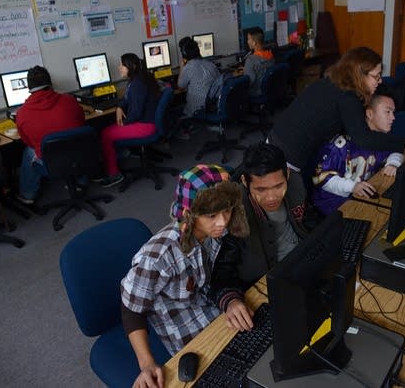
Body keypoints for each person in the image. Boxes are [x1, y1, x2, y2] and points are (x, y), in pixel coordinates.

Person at [120, 164, 251, 388]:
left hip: (215, 318)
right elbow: (131, 308)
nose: (222, 222)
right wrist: (147, 363)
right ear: (190, 214)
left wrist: (230, 300)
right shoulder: (158, 256)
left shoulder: (214, 233)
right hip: (189, 340)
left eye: (227, 211)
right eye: (211, 215)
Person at [267, 46, 405, 176]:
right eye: (376, 76)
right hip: (288, 154)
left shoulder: (334, 83)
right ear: (360, 75)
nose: (379, 81)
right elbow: (363, 138)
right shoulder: (348, 97)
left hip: (278, 139)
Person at [213, 143, 321, 293]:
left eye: (278, 186)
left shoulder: (295, 183)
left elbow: (309, 219)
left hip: (305, 260)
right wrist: (230, 299)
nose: (271, 197)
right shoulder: (233, 211)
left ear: (287, 175)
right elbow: (222, 269)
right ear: (245, 182)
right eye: (261, 189)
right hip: (269, 280)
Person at [312, 92, 404, 215]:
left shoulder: (382, 138)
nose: (393, 117)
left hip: (361, 197)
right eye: (388, 112)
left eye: (393, 113)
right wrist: (352, 187)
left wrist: (393, 163)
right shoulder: (342, 144)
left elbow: (397, 150)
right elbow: (321, 178)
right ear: (370, 114)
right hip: (332, 204)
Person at [15, 66, 85, 204]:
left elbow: (28, 142)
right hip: (80, 157)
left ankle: (28, 194)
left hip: (51, 165)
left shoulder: (22, 113)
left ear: (28, 87)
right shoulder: (69, 100)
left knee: (28, 151)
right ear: (50, 83)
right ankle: (80, 181)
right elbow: (82, 123)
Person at [98, 53, 161, 188]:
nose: (119, 68)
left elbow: (136, 113)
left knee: (106, 134)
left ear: (131, 66)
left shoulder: (137, 84)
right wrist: (120, 108)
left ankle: (114, 174)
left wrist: (124, 124)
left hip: (145, 126)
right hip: (146, 122)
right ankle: (119, 158)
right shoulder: (136, 80)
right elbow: (126, 98)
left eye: (122, 65)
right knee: (108, 131)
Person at [177, 36, 220, 118]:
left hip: (198, 108)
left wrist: (182, 67)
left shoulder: (189, 67)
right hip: (214, 104)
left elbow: (180, 86)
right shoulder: (210, 64)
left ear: (184, 54)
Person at [243, 27, 274, 96]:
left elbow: (249, 82)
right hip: (270, 89)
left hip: (257, 92)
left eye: (248, 39)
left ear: (254, 43)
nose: (247, 41)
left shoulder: (250, 60)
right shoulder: (270, 55)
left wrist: (246, 69)